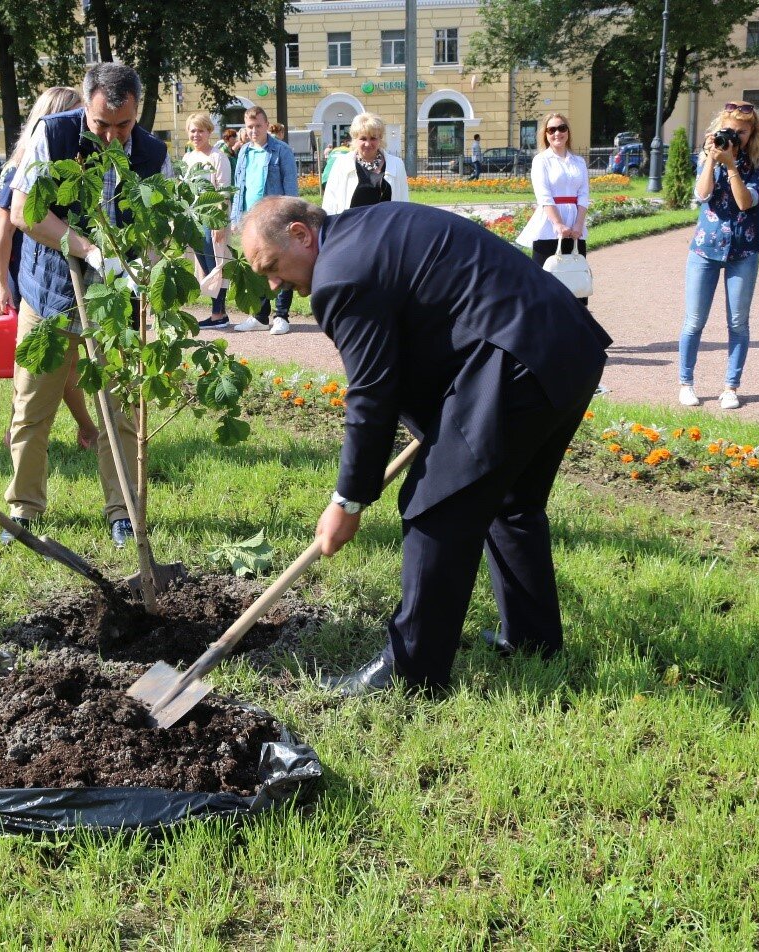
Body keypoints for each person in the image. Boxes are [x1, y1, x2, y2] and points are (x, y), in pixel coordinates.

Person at [239, 197, 610, 695]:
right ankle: (532, 642)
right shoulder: (363, 229)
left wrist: (348, 500)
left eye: (272, 267)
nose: (273, 284)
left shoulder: (338, 277)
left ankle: (412, 671)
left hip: (513, 359)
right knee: (512, 503)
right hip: (565, 345)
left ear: (303, 235)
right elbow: (414, 345)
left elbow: (371, 393)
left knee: (433, 509)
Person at [8, 62, 171, 548]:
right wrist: (90, 250)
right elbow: (24, 212)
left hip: (115, 302)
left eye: (124, 125)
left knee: (119, 411)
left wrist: (145, 270)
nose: (114, 136)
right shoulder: (52, 135)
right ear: (86, 105)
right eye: (102, 124)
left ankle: (123, 511)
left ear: (137, 111)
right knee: (32, 406)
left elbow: (158, 227)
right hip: (49, 293)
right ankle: (24, 510)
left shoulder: (152, 152)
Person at [0, 86, 98, 452]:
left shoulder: (72, 163)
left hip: (60, 265)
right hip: (33, 273)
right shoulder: (23, 164)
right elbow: (4, 232)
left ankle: (80, 429)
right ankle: (32, 430)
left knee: (55, 362)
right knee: (43, 362)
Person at [676, 101, 759, 411]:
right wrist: (710, 160)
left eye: (741, 132)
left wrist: (732, 166)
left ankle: (731, 387)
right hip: (705, 249)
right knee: (694, 321)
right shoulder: (709, 156)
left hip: (743, 251)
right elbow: (702, 194)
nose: (733, 137)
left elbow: (746, 203)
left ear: (753, 133)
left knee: (737, 323)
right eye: (728, 131)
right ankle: (686, 383)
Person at [229, 106, 299, 335]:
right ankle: (260, 315)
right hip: (251, 220)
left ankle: (281, 316)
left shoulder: (282, 151)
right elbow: (239, 187)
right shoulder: (244, 152)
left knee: (281, 266)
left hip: (275, 218)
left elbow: (290, 188)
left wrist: (291, 217)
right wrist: (235, 217)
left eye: (258, 126)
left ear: (267, 125)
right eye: (249, 127)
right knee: (256, 267)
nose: (253, 131)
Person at [517, 112, 591, 306]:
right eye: (552, 130)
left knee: (575, 281)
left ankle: (577, 331)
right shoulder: (541, 161)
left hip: (575, 226)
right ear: (545, 134)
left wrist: (578, 225)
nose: (557, 133)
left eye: (561, 128)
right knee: (544, 283)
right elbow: (544, 195)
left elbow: (584, 195)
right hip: (548, 226)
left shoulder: (579, 162)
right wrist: (558, 224)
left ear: (568, 131)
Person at [182, 112, 233, 329]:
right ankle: (217, 312)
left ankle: (218, 314)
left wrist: (219, 221)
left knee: (216, 264)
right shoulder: (187, 158)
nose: (196, 135)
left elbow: (224, 190)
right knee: (203, 263)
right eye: (193, 131)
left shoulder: (217, 157)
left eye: (200, 130)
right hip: (193, 218)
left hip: (212, 218)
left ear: (209, 132)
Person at [321, 112, 410, 214]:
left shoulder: (396, 164)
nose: (368, 144)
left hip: (386, 228)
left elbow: (404, 202)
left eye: (373, 138)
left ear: (380, 139)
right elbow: (330, 203)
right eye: (363, 138)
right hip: (351, 227)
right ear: (355, 139)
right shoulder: (341, 164)